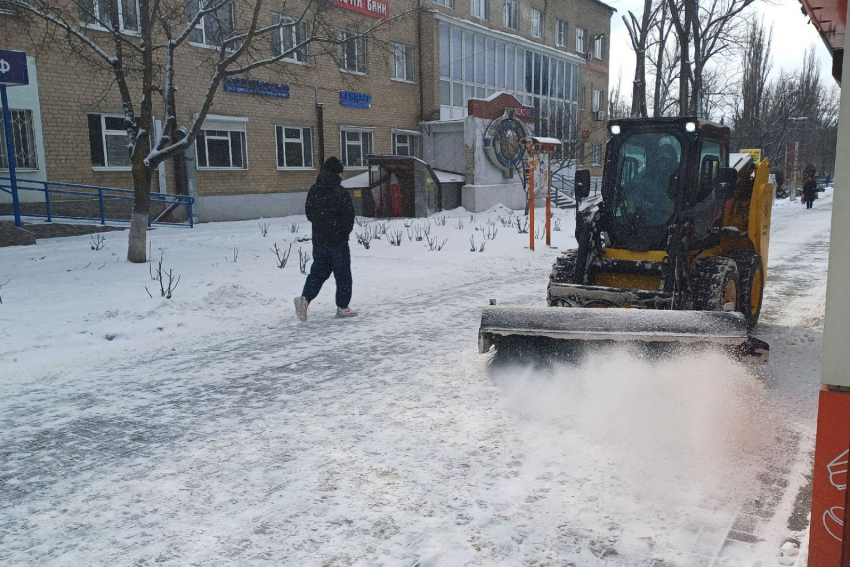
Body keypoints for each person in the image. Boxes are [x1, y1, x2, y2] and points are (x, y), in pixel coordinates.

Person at [294, 157, 358, 321]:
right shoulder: (340, 192)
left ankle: (305, 299)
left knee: (318, 272)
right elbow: (349, 216)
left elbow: (310, 214)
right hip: (337, 241)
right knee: (342, 274)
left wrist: (322, 226)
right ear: (337, 173)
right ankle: (343, 307)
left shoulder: (314, 190)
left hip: (319, 240)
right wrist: (342, 233)